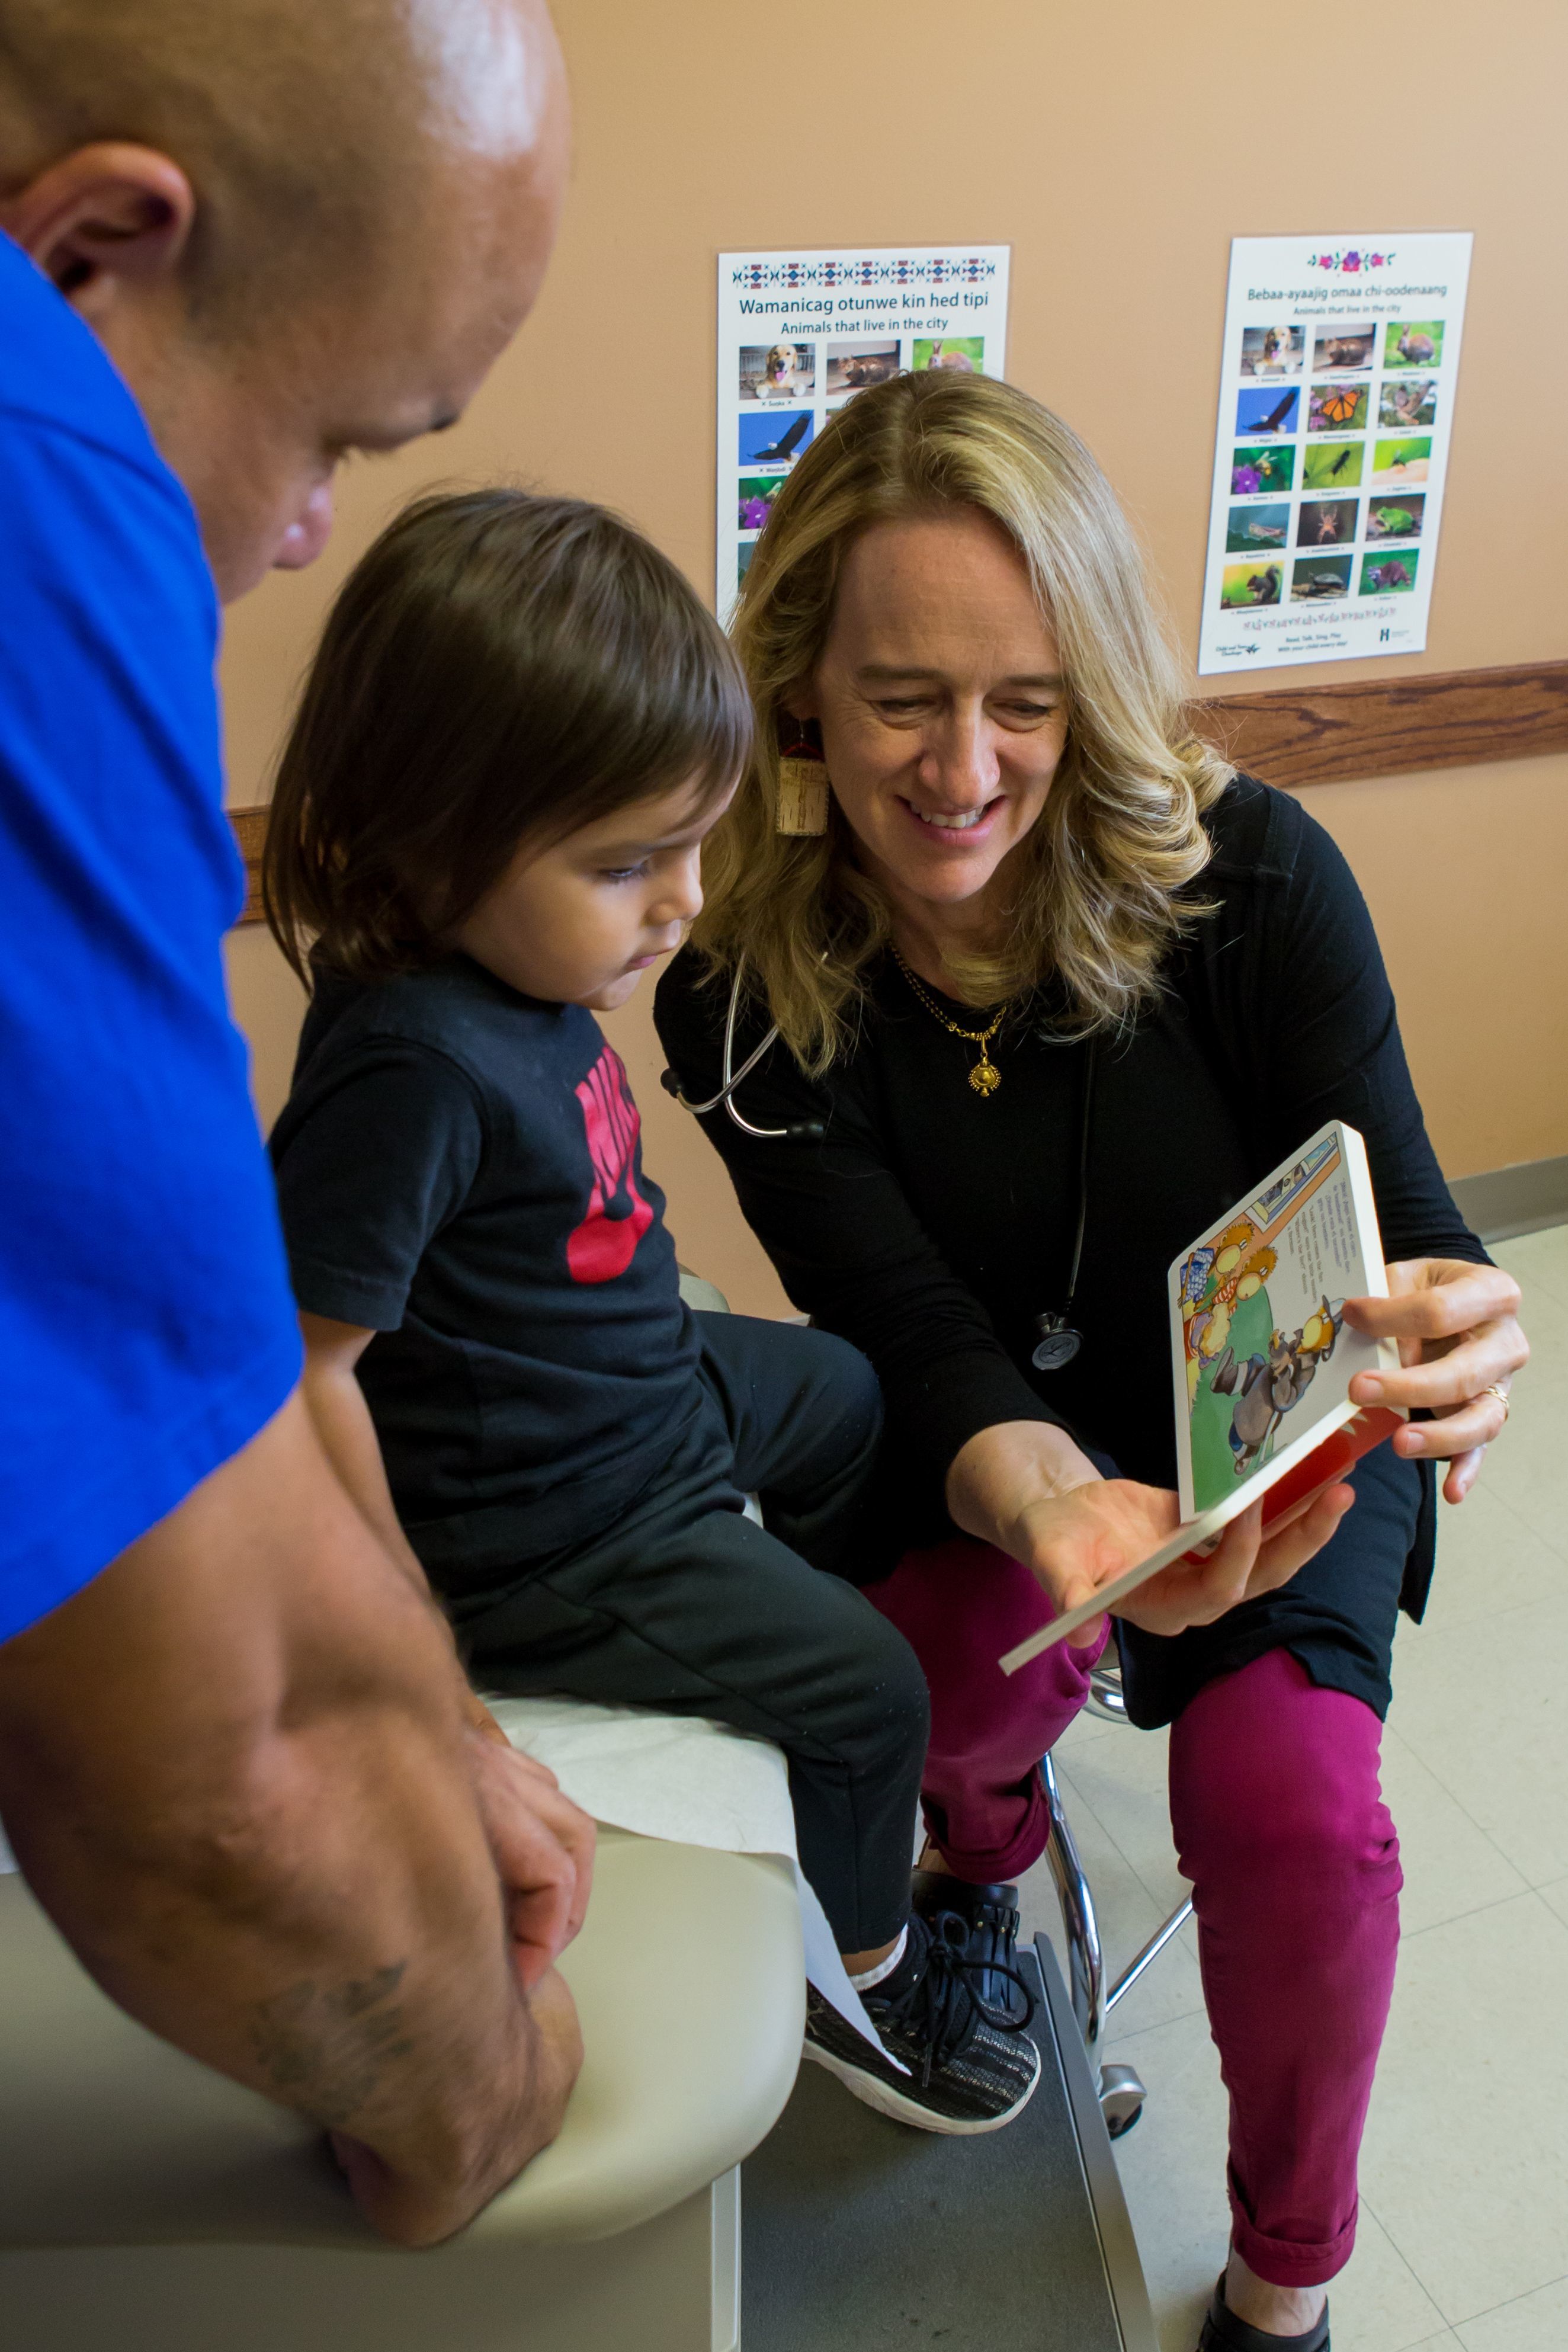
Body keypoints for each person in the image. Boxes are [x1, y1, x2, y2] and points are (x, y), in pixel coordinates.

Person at [655, 370, 1529, 2348]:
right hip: (985, 1448)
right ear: (799, 685)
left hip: (1272, 1457)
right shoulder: (739, 982)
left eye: (1024, 698)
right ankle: (983, 1863)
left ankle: (1289, 2279)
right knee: (904, 1707)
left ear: (1094, 687)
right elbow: (915, 1326)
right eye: (901, 696)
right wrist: (1060, 1513)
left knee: (1298, 1819)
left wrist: (1469, 1319)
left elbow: (1405, 1217)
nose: (964, 766)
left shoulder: (1257, 877)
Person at [0, 0, 595, 2249]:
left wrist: (433, 1735)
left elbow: (186, 1409)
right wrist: (485, 2089)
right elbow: (221, 1775)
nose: (298, 532)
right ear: (92, 256)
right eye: (338, 433)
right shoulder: (27, 478)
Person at [262, 485, 1041, 2136]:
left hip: (643, 1385)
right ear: (428, 843)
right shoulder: (406, 1064)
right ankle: (870, 1970)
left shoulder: (529, 966)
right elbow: (304, 1376)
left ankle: (769, 1612)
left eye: (695, 839)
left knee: (844, 1388)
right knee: (869, 1692)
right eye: (629, 862)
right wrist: (409, 1647)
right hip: (555, 1522)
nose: (684, 900)